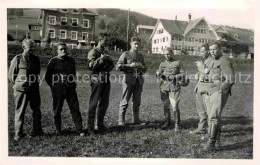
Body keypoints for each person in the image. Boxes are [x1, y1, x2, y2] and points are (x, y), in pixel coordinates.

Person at [200, 41, 235, 151]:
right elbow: (209, 74)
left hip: (218, 91)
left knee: (213, 117)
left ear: (220, 49)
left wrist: (221, 90)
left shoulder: (224, 61)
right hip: (210, 91)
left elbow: (231, 79)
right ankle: (217, 142)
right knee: (213, 117)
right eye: (211, 50)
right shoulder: (212, 61)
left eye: (214, 49)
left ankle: (211, 143)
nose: (212, 51)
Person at [45, 42, 85, 136]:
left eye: (65, 49)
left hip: (70, 89)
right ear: (57, 51)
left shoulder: (71, 60)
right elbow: (47, 77)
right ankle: (58, 130)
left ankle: (79, 129)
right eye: (61, 49)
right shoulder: (53, 61)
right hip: (58, 90)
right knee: (57, 110)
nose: (63, 51)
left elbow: (73, 73)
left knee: (75, 109)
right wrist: (54, 86)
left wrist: (72, 83)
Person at [8, 38, 43, 141]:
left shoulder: (36, 59)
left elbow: (37, 72)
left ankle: (37, 131)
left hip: (34, 89)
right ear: (23, 47)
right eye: (29, 47)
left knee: (36, 110)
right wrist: (20, 83)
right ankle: (18, 133)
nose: (32, 49)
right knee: (20, 111)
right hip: (21, 89)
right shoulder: (17, 59)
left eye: (33, 47)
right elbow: (11, 76)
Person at [87, 32, 114, 134]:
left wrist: (109, 61)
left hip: (106, 77)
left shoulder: (105, 52)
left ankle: (100, 124)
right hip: (97, 77)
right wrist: (101, 59)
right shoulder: (93, 52)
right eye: (105, 40)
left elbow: (111, 66)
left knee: (104, 102)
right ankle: (90, 127)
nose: (107, 42)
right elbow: (90, 66)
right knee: (94, 102)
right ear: (100, 40)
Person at [117, 36, 147, 126]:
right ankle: (121, 120)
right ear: (131, 44)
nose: (137, 46)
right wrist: (129, 65)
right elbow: (118, 66)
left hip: (138, 81)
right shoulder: (126, 54)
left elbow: (145, 68)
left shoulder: (140, 56)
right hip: (128, 80)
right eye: (135, 44)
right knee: (125, 100)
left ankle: (136, 120)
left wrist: (142, 66)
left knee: (137, 101)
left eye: (138, 44)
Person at [156, 47, 186, 132]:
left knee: (175, 106)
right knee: (166, 106)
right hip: (164, 87)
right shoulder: (162, 64)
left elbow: (183, 74)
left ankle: (177, 124)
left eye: (168, 54)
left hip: (174, 87)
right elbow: (159, 75)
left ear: (172, 54)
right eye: (165, 54)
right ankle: (167, 122)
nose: (167, 56)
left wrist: (175, 76)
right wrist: (158, 74)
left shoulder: (178, 62)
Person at [190, 43, 214, 135]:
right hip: (200, 88)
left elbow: (209, 74)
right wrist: (198, 74)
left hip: (207, 89)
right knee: (201, 110)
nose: (201, 53)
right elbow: (204, 73)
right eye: (200, 51)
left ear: (209, 51)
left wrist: (200, 67)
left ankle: (211, 129)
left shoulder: (213, 61)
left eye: (203, 51)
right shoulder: (205, 61)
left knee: (208, 110)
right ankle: (202, 128)